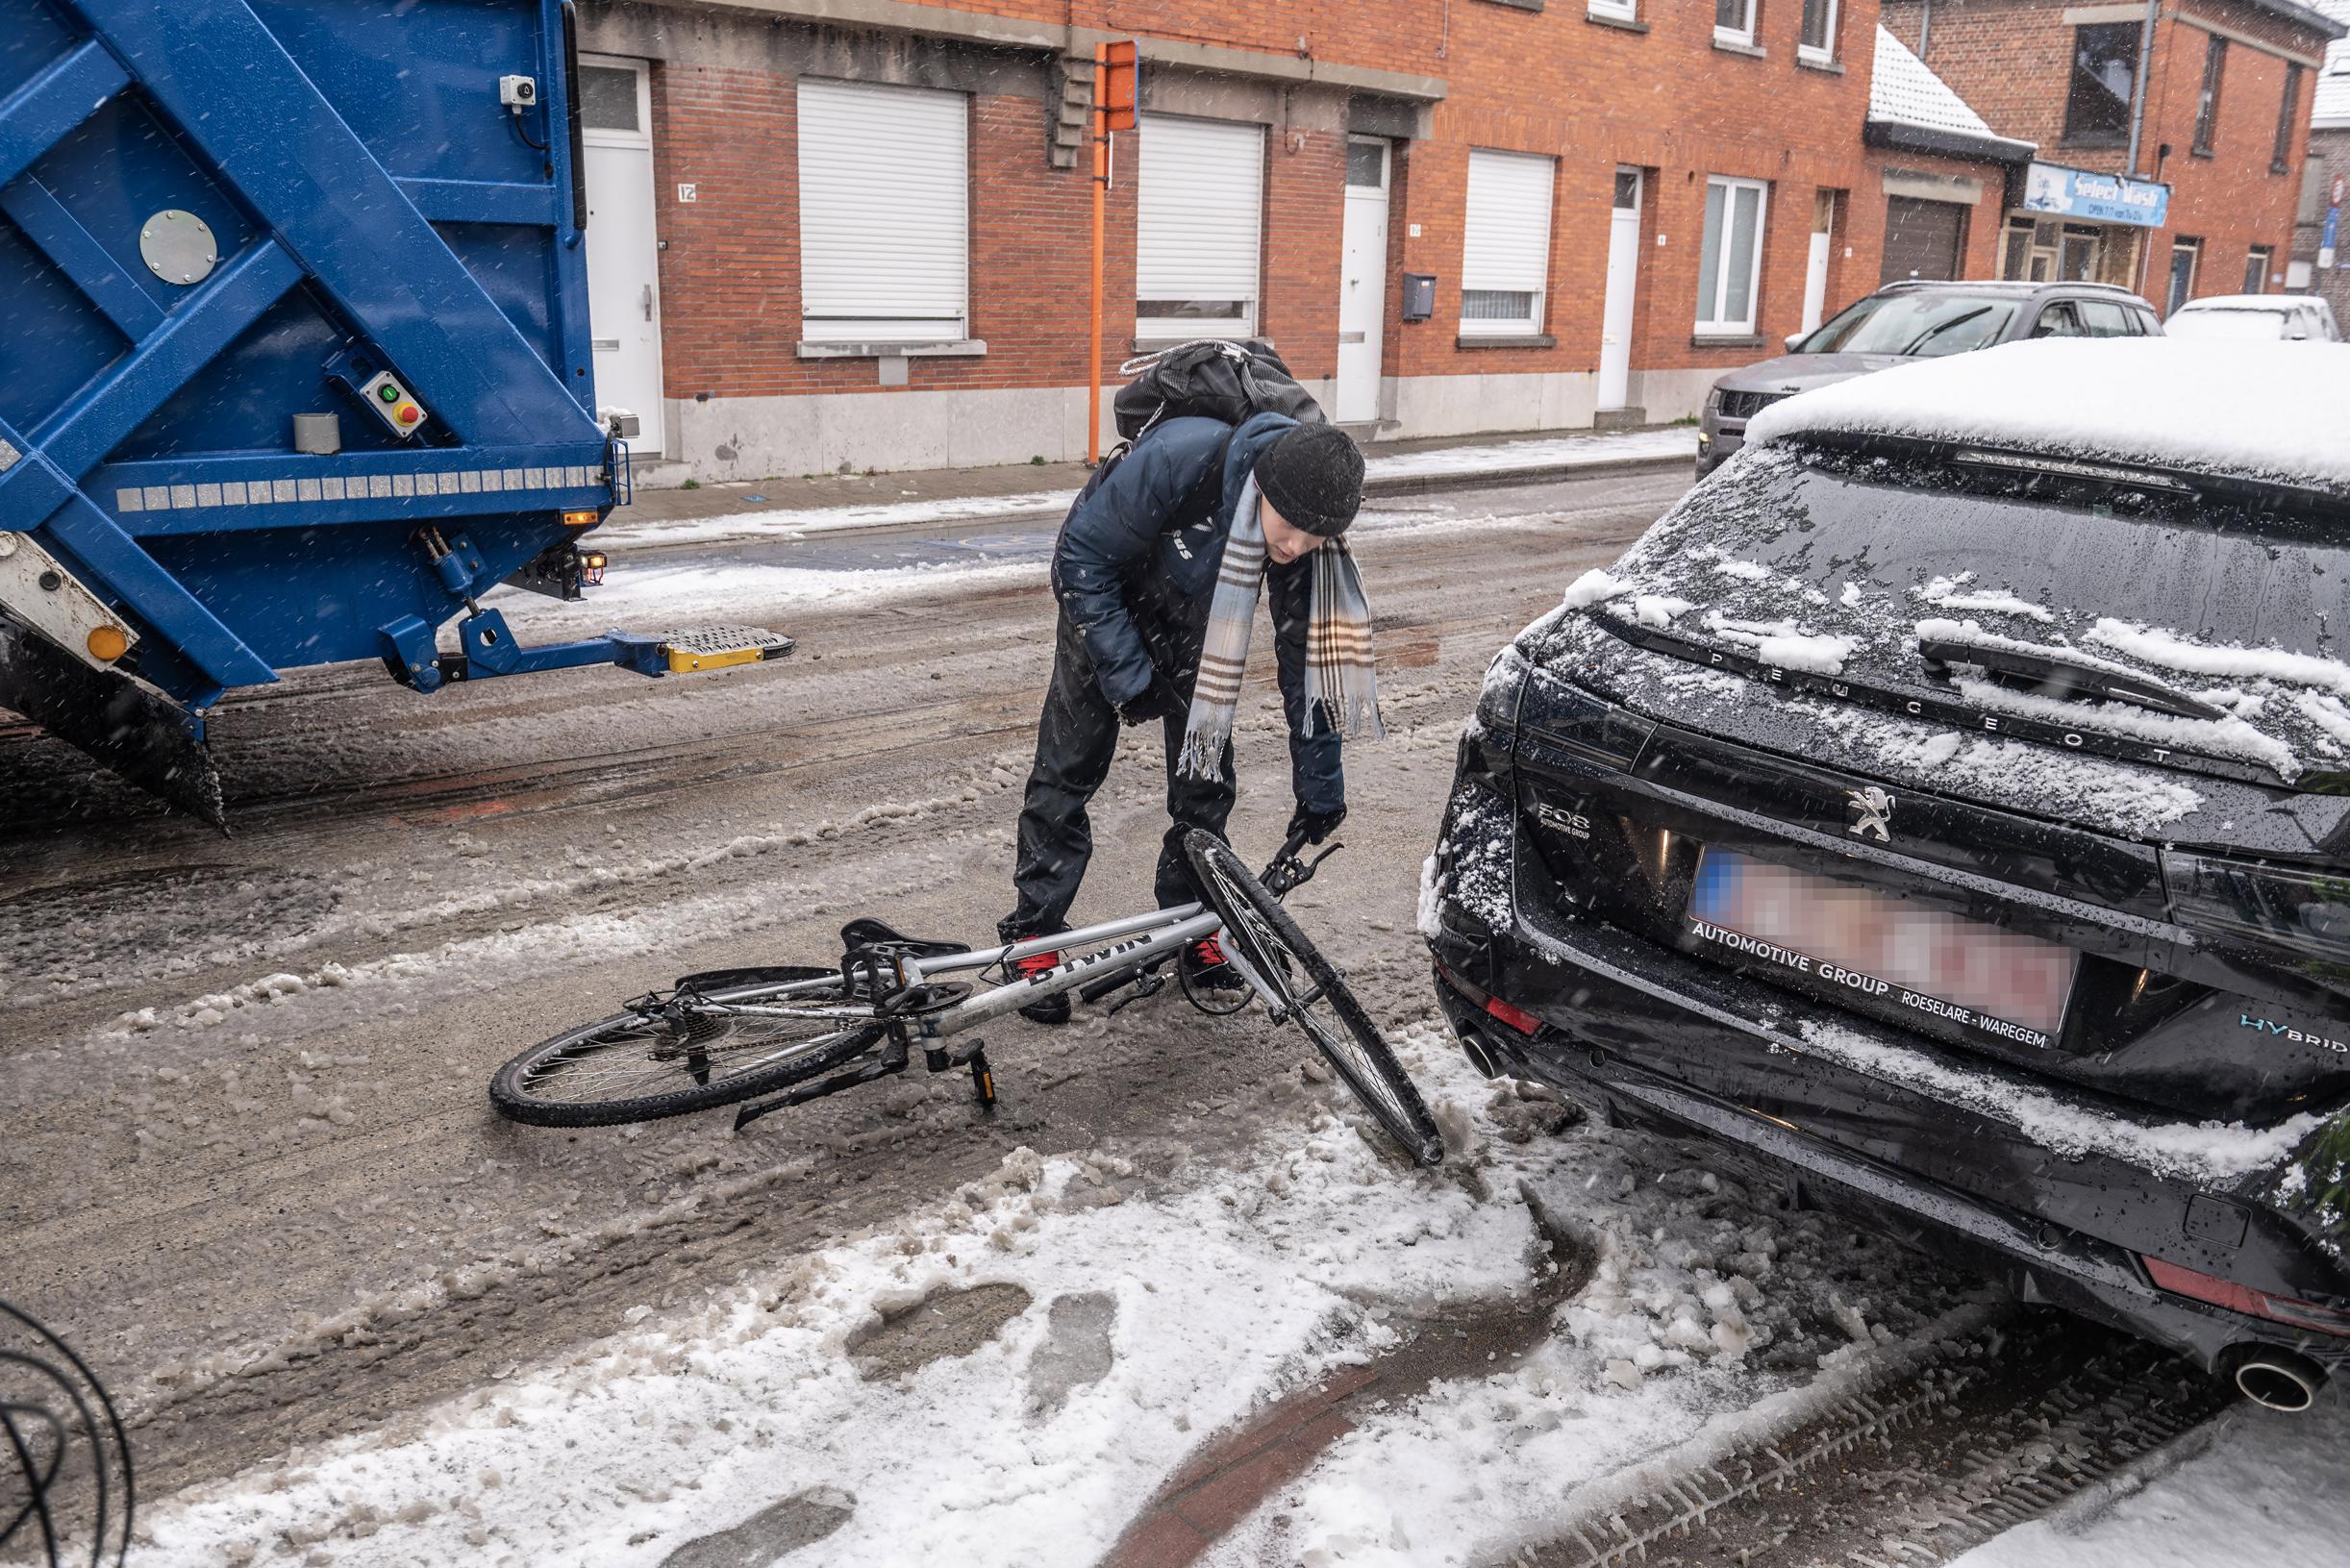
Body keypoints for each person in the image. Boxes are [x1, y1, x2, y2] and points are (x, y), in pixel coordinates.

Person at [998, 411, 1381, 1024]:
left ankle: (1195, 925)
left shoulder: (1303, 541)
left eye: (1315, 539)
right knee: (1069, 769)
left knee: (1204, 783)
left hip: (1199, 626)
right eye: (1292, 530)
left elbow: (1307, 662)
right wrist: (1126, 672)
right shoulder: (1182, 458)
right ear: (1266, 487)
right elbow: (1080, 560)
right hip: (1106, 604)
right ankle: (1033, 938)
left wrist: (1319, 785)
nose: (1295, 549)